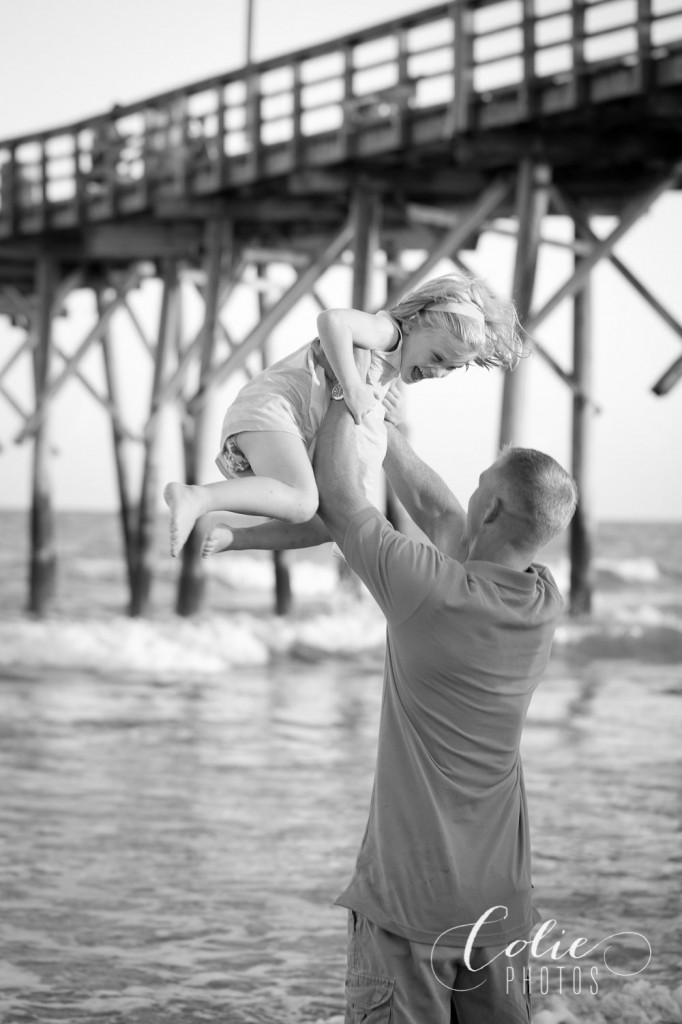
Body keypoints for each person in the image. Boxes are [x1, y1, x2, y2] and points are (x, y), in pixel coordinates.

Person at [230, 398, 577, 1022]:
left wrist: (346, 391)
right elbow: (446, 516)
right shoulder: (543, 600)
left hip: (410, 908)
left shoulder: (429, 590)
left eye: (481, 487)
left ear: (493, 508)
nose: (468, 496)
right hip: (499, 909)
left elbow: (339, 500)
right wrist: (386, 434)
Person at [163, 272, 523, 558]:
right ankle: (197, 498)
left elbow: (369, 423)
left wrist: (386, 411)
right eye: (439, 357)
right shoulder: (388, 333)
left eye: (450, 369)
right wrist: (351, 384)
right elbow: (333, 320)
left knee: (329, 522)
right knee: (303, 500)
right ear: (415, 323)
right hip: (276, 408)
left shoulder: (391, 368)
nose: (437, 372)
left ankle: (238, 539)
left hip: (293, 425)